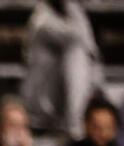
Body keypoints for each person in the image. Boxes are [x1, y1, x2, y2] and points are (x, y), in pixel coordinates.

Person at [22, 0, 100, 138]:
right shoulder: (41, 17)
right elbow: (76, 39)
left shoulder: (75, 12)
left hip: (61, 96)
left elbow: (92, 51)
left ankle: (77, 119)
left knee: (82, 58)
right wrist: (72, 8)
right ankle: (75, 123)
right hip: (41, 99)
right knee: (76, 54)